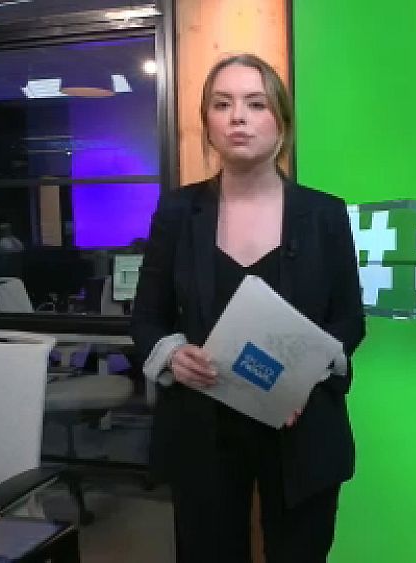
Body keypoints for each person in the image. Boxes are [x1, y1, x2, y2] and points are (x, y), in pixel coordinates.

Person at [130, 53, 366, 563]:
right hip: (203, 427)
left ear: (281, 121)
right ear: (207, 123)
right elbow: (147, 318)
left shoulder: (324, 213)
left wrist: (302, 375)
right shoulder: (177, 211)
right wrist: (173, 355)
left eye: (256, 104)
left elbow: (350, 320)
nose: (238, 116)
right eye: (223, 104)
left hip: (301, 426)